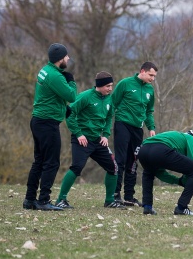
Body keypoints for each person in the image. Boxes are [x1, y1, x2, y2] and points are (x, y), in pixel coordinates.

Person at [54, 72, 126, 209]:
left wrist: (105, 134)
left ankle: (109, 201)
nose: (110, 89)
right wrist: (79, 133)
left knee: (113, 167)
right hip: (82, 139)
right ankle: (61, 200)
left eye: (111, 85)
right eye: (107, 86)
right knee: (77, 167)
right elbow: (69, 113)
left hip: (98, 140)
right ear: (99, 85)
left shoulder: (109, 99)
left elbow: (109, 117)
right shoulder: (85, 97)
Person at [23, 43, 78, 211]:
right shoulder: (55, 76)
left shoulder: (45, 70)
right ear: (60, 59)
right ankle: (43, 200)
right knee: (51, 162)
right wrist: (71, 82)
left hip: (38, 120)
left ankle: (29, 200)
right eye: (66, 57)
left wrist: (63, 109)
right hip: (47, 123)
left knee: (39, 161)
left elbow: (51, 95)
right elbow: (71, 96)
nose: (68, 59)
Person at [112, 62, 158, 206]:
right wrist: (104, 126)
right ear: (142, 71)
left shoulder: (150, 90)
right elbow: (112, 104)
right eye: (151, 75)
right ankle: (115, 195)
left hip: (138, 129)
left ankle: (129, 196)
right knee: (120, 160)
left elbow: (149, 111)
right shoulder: (125, 84)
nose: (152, 78)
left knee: (133, 162)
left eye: (154, 76)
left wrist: (151, 127)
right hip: (122, 125)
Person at [138, 130, 193, 215]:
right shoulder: (191, 138)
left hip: (143, 149)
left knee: (148, 173)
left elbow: (160, 173)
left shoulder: (175, 137)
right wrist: (187, 180)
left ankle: (147, 207)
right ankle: (182, 208)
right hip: (160, 149)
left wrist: (178, 181)